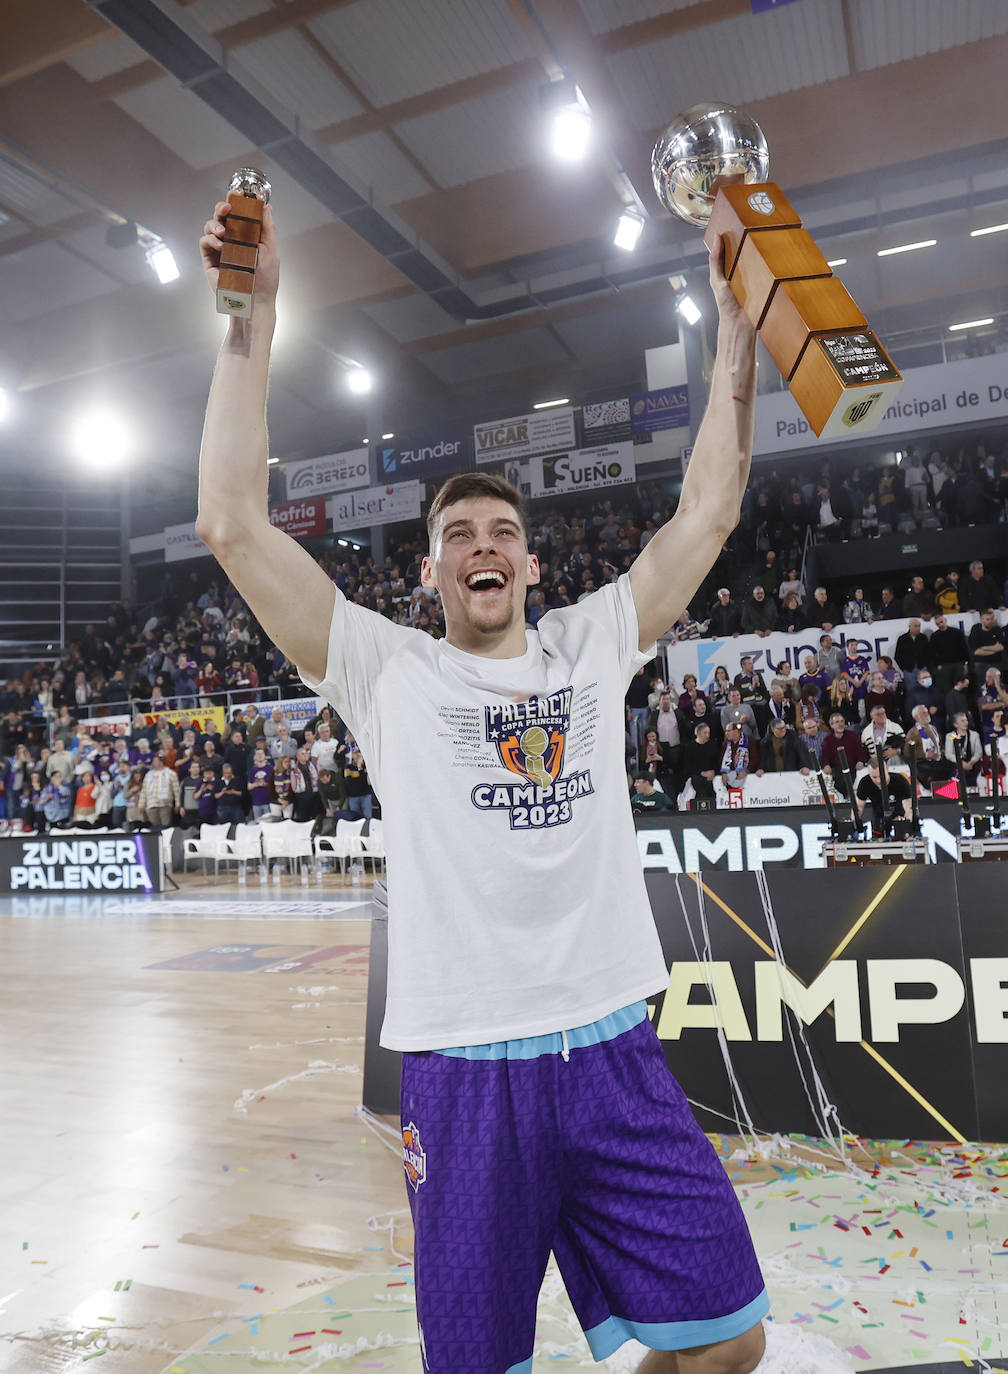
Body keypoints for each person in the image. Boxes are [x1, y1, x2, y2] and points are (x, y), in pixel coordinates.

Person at [196, 198, 768, 1373]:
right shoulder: (384, 669)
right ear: (432, 568)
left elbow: (708, 508)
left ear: (532, 561)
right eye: (458, 533)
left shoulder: (594, 645)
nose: (482, 545)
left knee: (730, 1345)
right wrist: (250, 321)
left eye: (500, 528)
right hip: (464, 1078)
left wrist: (736, 323)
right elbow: (231, 524)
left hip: (612, 1054)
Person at [855, 756, 913, 835]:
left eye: (881, 776)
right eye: (874, 777)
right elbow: (859, 806)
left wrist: (907, 822)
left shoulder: (900, 780)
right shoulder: (865, 783)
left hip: (899, 818)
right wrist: (854, 823)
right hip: (879, 820)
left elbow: (908, 805)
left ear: (887, 769)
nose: (878, 780)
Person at [903, 705, 953, 789]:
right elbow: (907, 753)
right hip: (925, 767)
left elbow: (940, 745)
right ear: (916, 717)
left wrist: (942, 752)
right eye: (923, 713)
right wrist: (925, 754)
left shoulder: (933, 728)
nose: (927, 714)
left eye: (927, 712)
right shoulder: (913, 733)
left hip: (939, 763)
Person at [820, 712, 865, 796]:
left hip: (852, 768)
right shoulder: (828, 740)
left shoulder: (853, 736)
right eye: (837, 722)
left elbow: (860, 752)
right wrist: (826, 765)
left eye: (842, 721)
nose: (840, 724)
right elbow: (825, 757)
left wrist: (860, 762)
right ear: (831, 725)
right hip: (836, 770)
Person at [683, 721, 721, 804]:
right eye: (705, 733)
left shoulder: (712, 745)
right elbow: (688, 766)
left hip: (712, 775)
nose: (708, 735)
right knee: (701, 785)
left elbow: (717, 762)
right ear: (698, 734)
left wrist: (713, 772)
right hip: (697, 776)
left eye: (708, 733)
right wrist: (702, 773)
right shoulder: (690, 747)